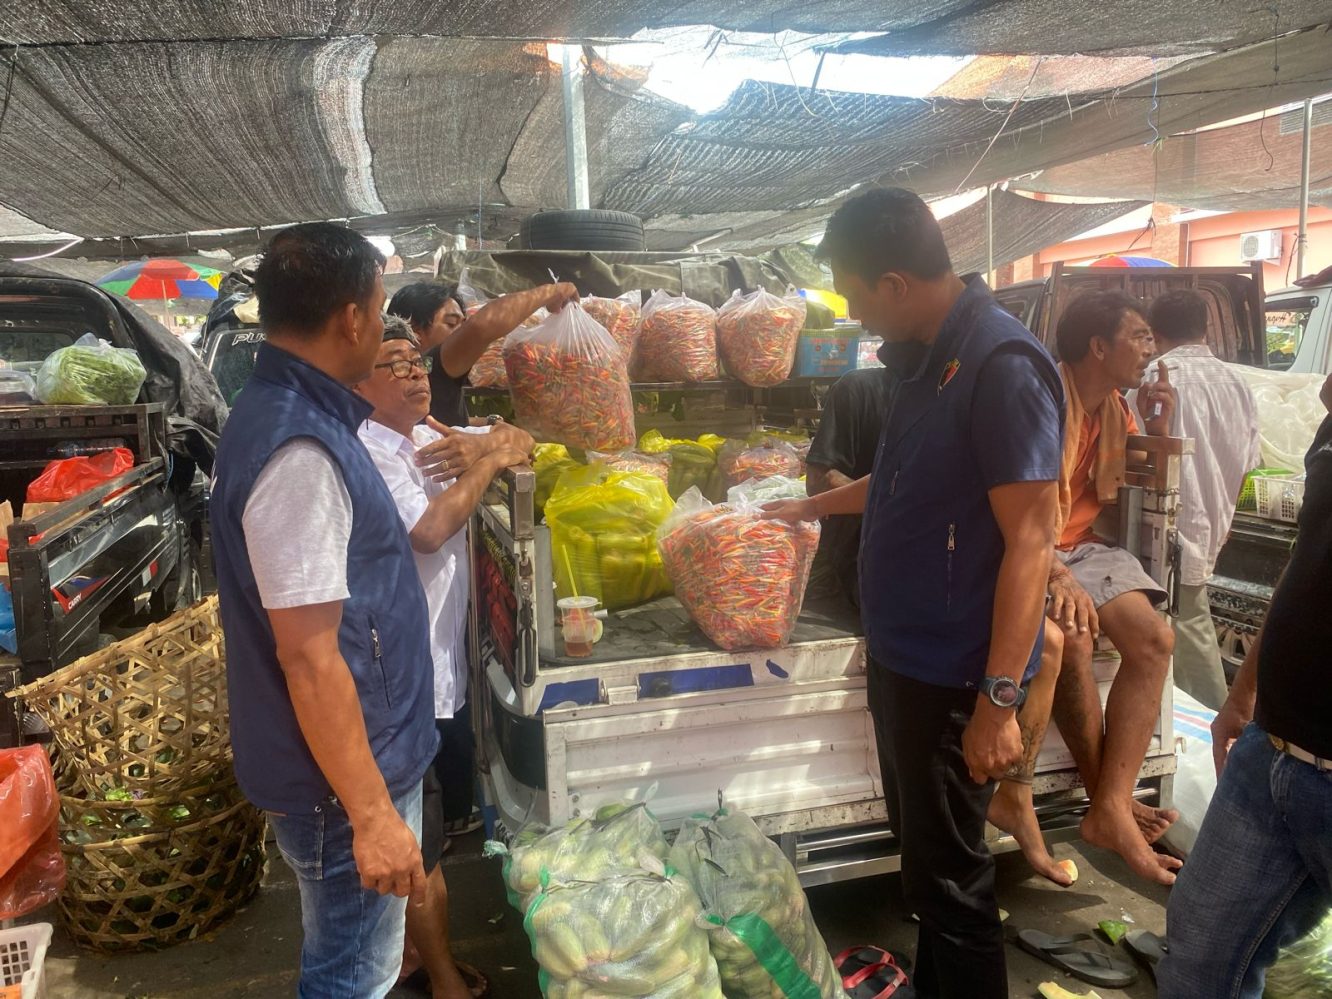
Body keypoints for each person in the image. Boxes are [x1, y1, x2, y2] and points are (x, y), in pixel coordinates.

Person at [765, 187, 1064, 999]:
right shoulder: (923, 363)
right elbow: (900, 483)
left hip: (954, 675)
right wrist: (811, 506)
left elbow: (1033, 539)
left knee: (954, 881)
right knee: (930, 869)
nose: (855, 315)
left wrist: (1000, 701)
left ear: (894, 283)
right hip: (906, 663)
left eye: (856, 295)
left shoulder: (1000, 366)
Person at [209, 223, 434, 997]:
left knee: (349, 958)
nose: (382, 324)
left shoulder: (299, 415)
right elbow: (308, 655)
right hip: (341, 782)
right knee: (351, 975)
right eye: (379, 307)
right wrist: (372, 813)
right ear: (351, 319)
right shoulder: (298, 449)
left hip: (349, 763)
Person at [807, 361, 1074, 887]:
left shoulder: (992, 379)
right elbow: (884, 483)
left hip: (950, 636)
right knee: (930, 849)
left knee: (950, 871)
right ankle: (940, 902)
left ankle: (1014, 800)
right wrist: (806, 507)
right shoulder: (892, 392)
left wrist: (996, 711)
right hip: (905, 626)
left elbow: (1028, 531)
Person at [354, 316, 533, 999]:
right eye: (393, 364)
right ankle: (443, 978)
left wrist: (495, 443)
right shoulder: (369, 451)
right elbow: (428, 531)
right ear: (359, 382)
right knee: (416, 844)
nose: (414, 373)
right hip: (398, 678)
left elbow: (524, 440)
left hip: (440, 671)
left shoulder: (428, 437)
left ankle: (404, 955)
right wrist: (486, 459)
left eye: (415, 361)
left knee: (428, 831)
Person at [1157, 373, 1332, 999]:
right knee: (1199, 961)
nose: (1324, 389)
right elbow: (1306, 559)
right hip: (1272, 753)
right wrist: (1243, 693)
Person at [1045, 290, 1183, 887]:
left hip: (1082, 547)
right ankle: (1112, 806)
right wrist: (1053, 571)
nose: (1150, 350)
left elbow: (1122, 478)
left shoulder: (1116, 410)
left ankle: (1109, 803)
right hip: (1028, 549)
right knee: (1074, 639)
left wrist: (1157, 427)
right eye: (1140, 337)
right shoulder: (1040, 400)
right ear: (1098, 347)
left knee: (1155, 641)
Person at [1126, 290, 1261, 709]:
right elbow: (1249, 462)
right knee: (1179, 638)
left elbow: (1129, 458)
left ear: (1156, 333)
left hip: (1166, 534)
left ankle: (1222, 735)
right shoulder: (1240, 383)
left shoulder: (1150, 381)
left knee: (1189, 648)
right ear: (1205, 329)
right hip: (1212, 528)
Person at [388, 280, 578, 427]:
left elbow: (437, 423)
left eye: (463, 324)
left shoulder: (392, 376)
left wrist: (490, 423)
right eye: (451, 324)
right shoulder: (429, 366)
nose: (461, 333)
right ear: (414, 329)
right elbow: (482, 327)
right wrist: (553, 291)